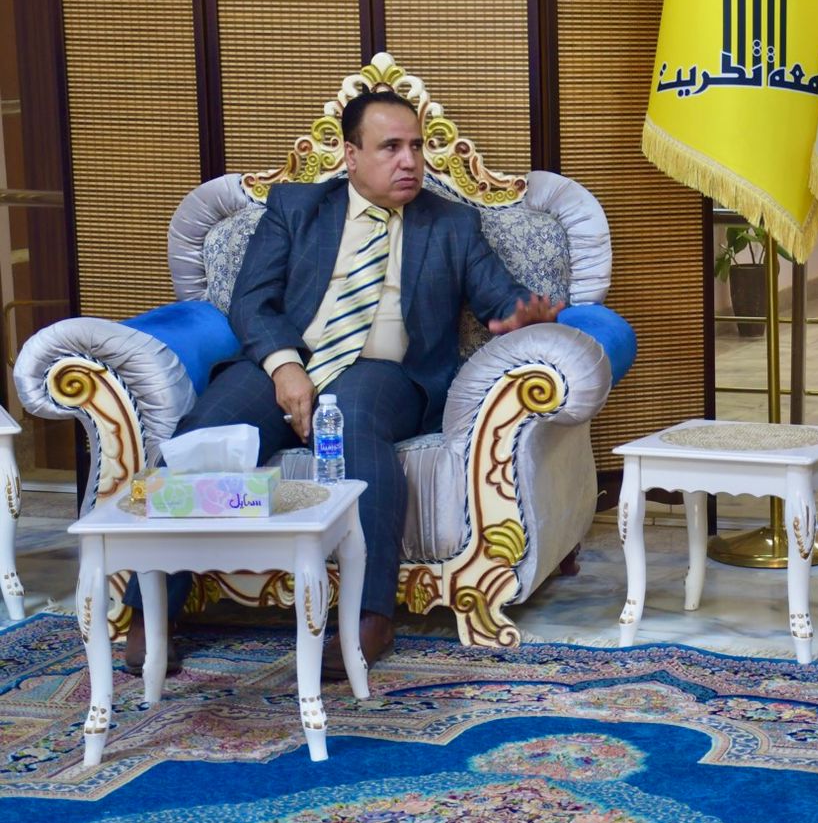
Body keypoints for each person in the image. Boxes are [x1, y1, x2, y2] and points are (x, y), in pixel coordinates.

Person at [125, 91, 560, 678]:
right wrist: (284, 367)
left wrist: (525, 317)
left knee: (353, 416)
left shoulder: (452, 223)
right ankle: (152, 610)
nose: (409, 161)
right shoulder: (296, 207)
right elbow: (252, 301)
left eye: (416, 147)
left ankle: (369, 615)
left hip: (385, 372)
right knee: (202, 433)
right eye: (390, 147)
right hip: (287, 361)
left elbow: (501, 300)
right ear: (351, 155)